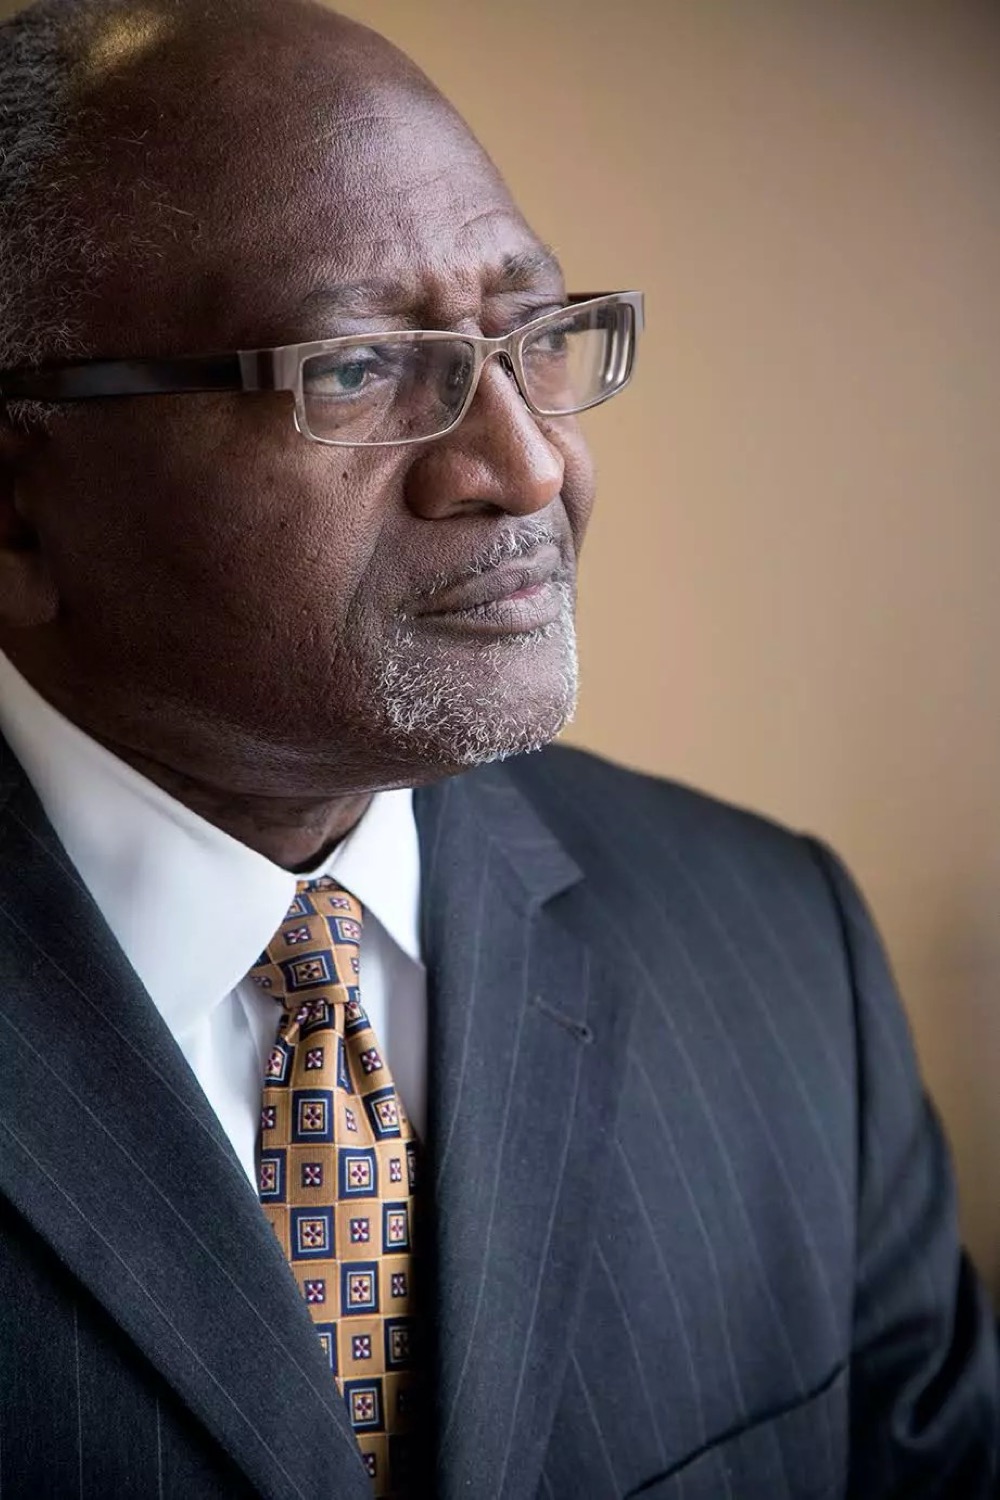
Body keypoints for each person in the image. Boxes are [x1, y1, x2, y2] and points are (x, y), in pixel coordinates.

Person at [0, 0, 996, 1496]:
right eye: (351, 372)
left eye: (532, 336)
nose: (525, 463)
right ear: (20, 505)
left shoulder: (785, 953)